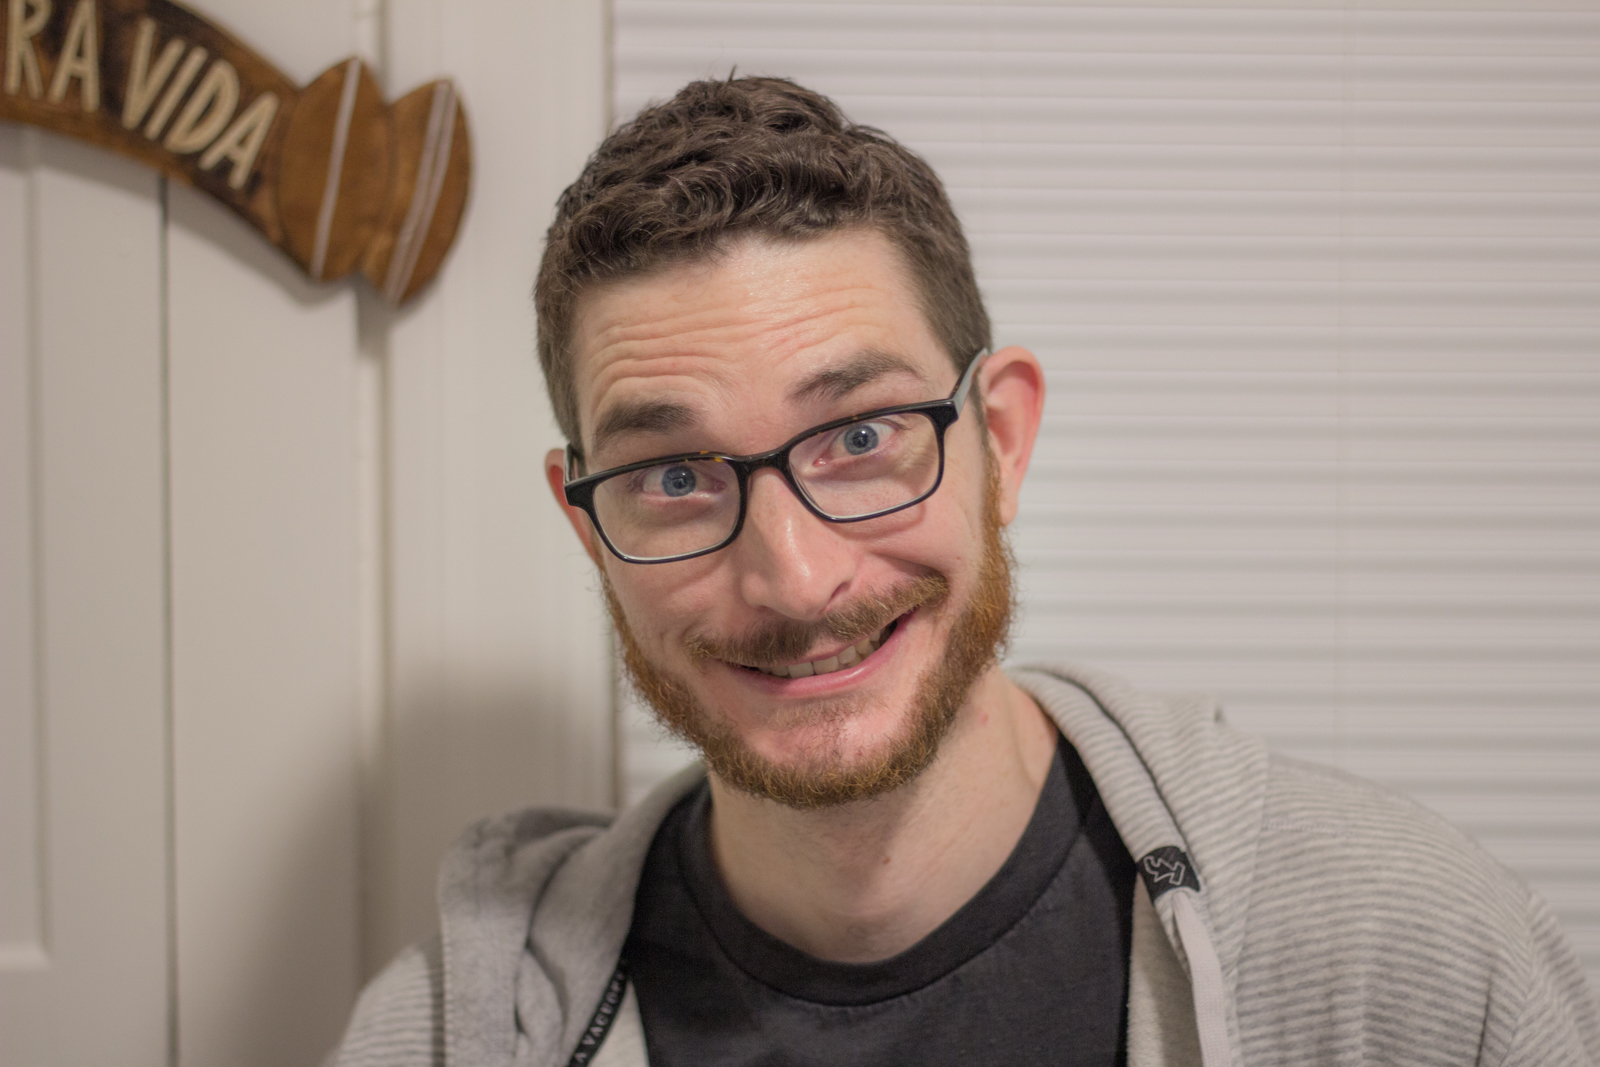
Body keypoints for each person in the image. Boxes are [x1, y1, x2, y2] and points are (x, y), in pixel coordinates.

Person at [331, 76, 1598, 1067]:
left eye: (860, 438)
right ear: (586, 525)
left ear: (1000, 441)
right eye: (673, 476)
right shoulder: (441, 1032)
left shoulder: (1407, 961)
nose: (795, 579)